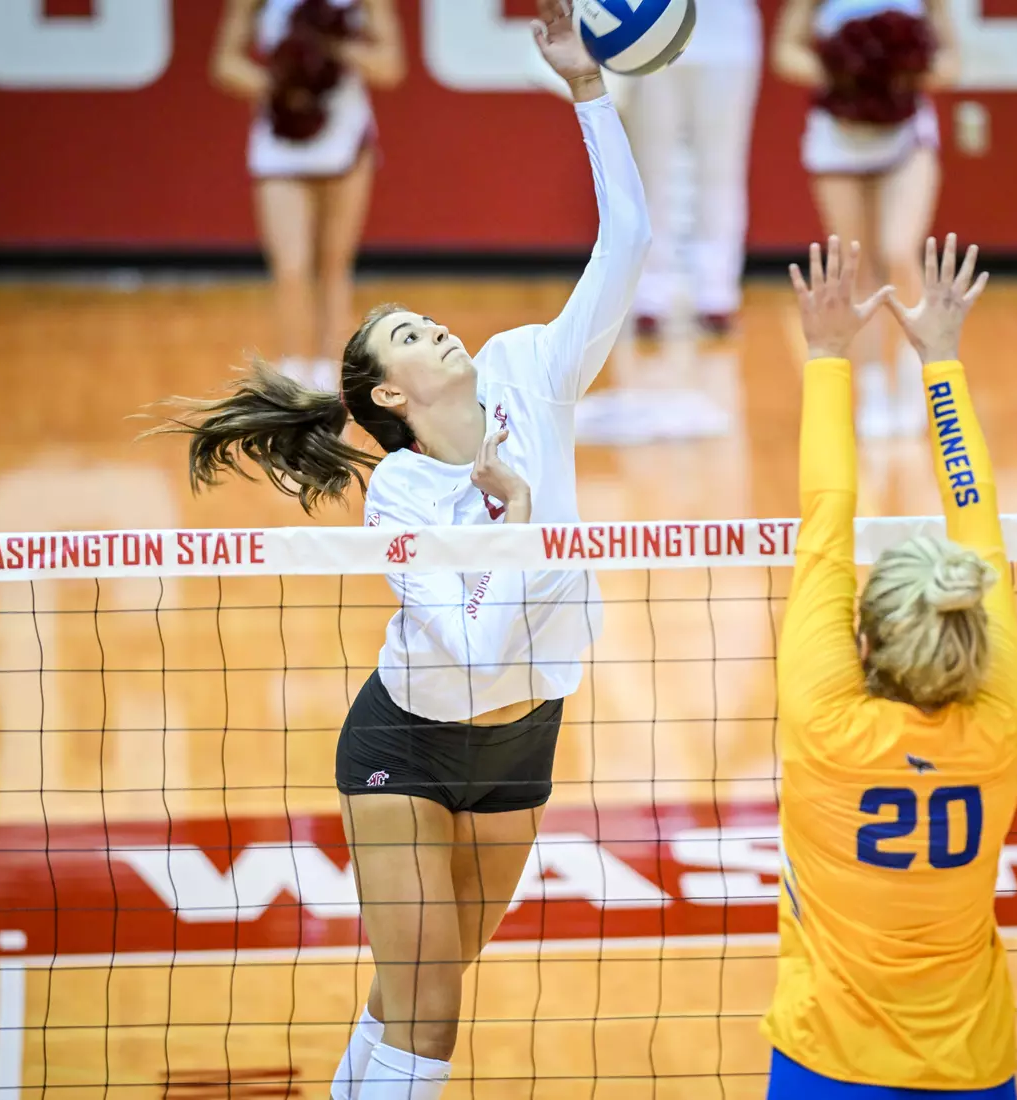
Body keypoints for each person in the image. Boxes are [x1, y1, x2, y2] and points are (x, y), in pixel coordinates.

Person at [156, 3, 648, 1095]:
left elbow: (628, 245)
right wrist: (518, 517)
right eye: (412, 336)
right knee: (433, 1014)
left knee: (419, 982)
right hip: (409, 744)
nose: (438, 327)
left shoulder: (534, 369)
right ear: (390, 392)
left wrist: (588, 93)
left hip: (524, 744)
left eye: (428, 319)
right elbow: (469, 658)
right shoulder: (401, 498)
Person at [765, 233, 1017, 1099]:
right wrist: (942, 361)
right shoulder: (998, 720)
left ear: (864, 644)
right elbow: (978, 520)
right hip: (973, 1071)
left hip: (825, 1067)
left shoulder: (827, 719)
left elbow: (828, 515)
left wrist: (828, 354)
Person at [773, 0, 959, 438]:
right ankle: (873, 387)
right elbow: (785, 51)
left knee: (897, 250)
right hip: (839, 133)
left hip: (906, 133)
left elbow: (952, 59)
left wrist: (901, 68)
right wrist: (845, 66)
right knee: (857, 266)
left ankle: (918, 380)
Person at [211, 0, 404, 391]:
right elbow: (225, 64)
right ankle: (293, 383)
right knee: (291, 267)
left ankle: (334, 386)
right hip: (280, 138)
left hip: (345, 138)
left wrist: (335, 49)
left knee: (334, 265)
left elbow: (390, 65)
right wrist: (283, 81)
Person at [620, 0, 763, 338]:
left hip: (727, 39)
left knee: (721, 168)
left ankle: (717, 292)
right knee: (650, 171)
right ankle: (650, 295)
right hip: (647, 30)